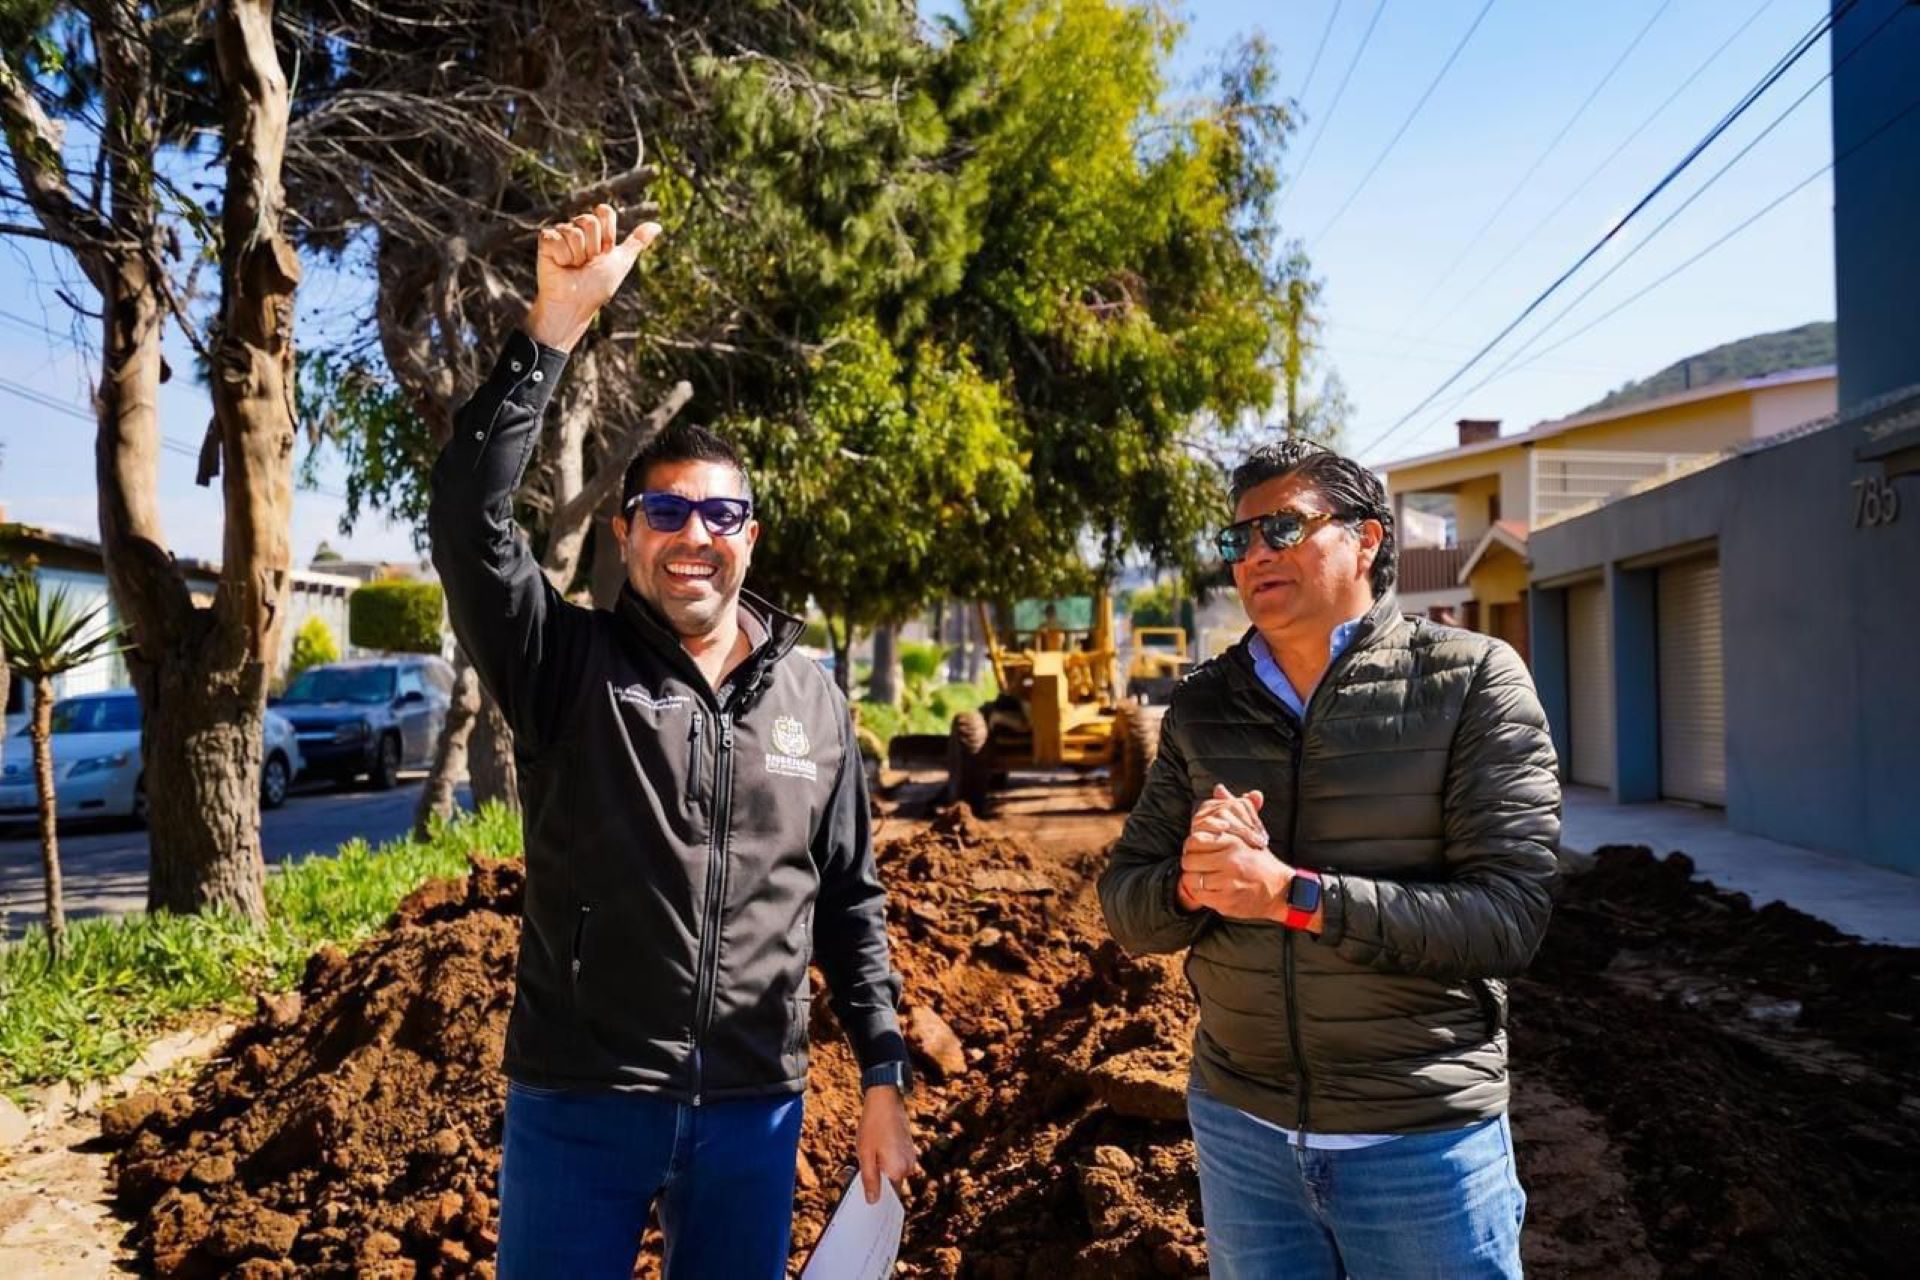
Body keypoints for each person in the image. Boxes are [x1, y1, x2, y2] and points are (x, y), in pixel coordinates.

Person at [428, 205, 917, 1279]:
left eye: (722, 515)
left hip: (754, 1108)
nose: (695, 536)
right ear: (625, 530)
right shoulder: (562, 659)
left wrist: (883, 1071)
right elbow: (468, 518)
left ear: (751, 533)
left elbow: (849, 899)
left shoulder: (812, 697)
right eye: (666, 511)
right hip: (580, 1101)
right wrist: (552, 329)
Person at [1098, 438, 1560, 1279]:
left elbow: (1509, 921)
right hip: (1244, 1136)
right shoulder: (1205, 704)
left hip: (1420, 1142)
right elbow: (1128, 905)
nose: (1256, 555)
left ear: (1369, 539)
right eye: (1239, 539)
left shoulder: (1471, 682)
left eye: (1284, 526)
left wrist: (1291, 895)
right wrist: (1195, 883)